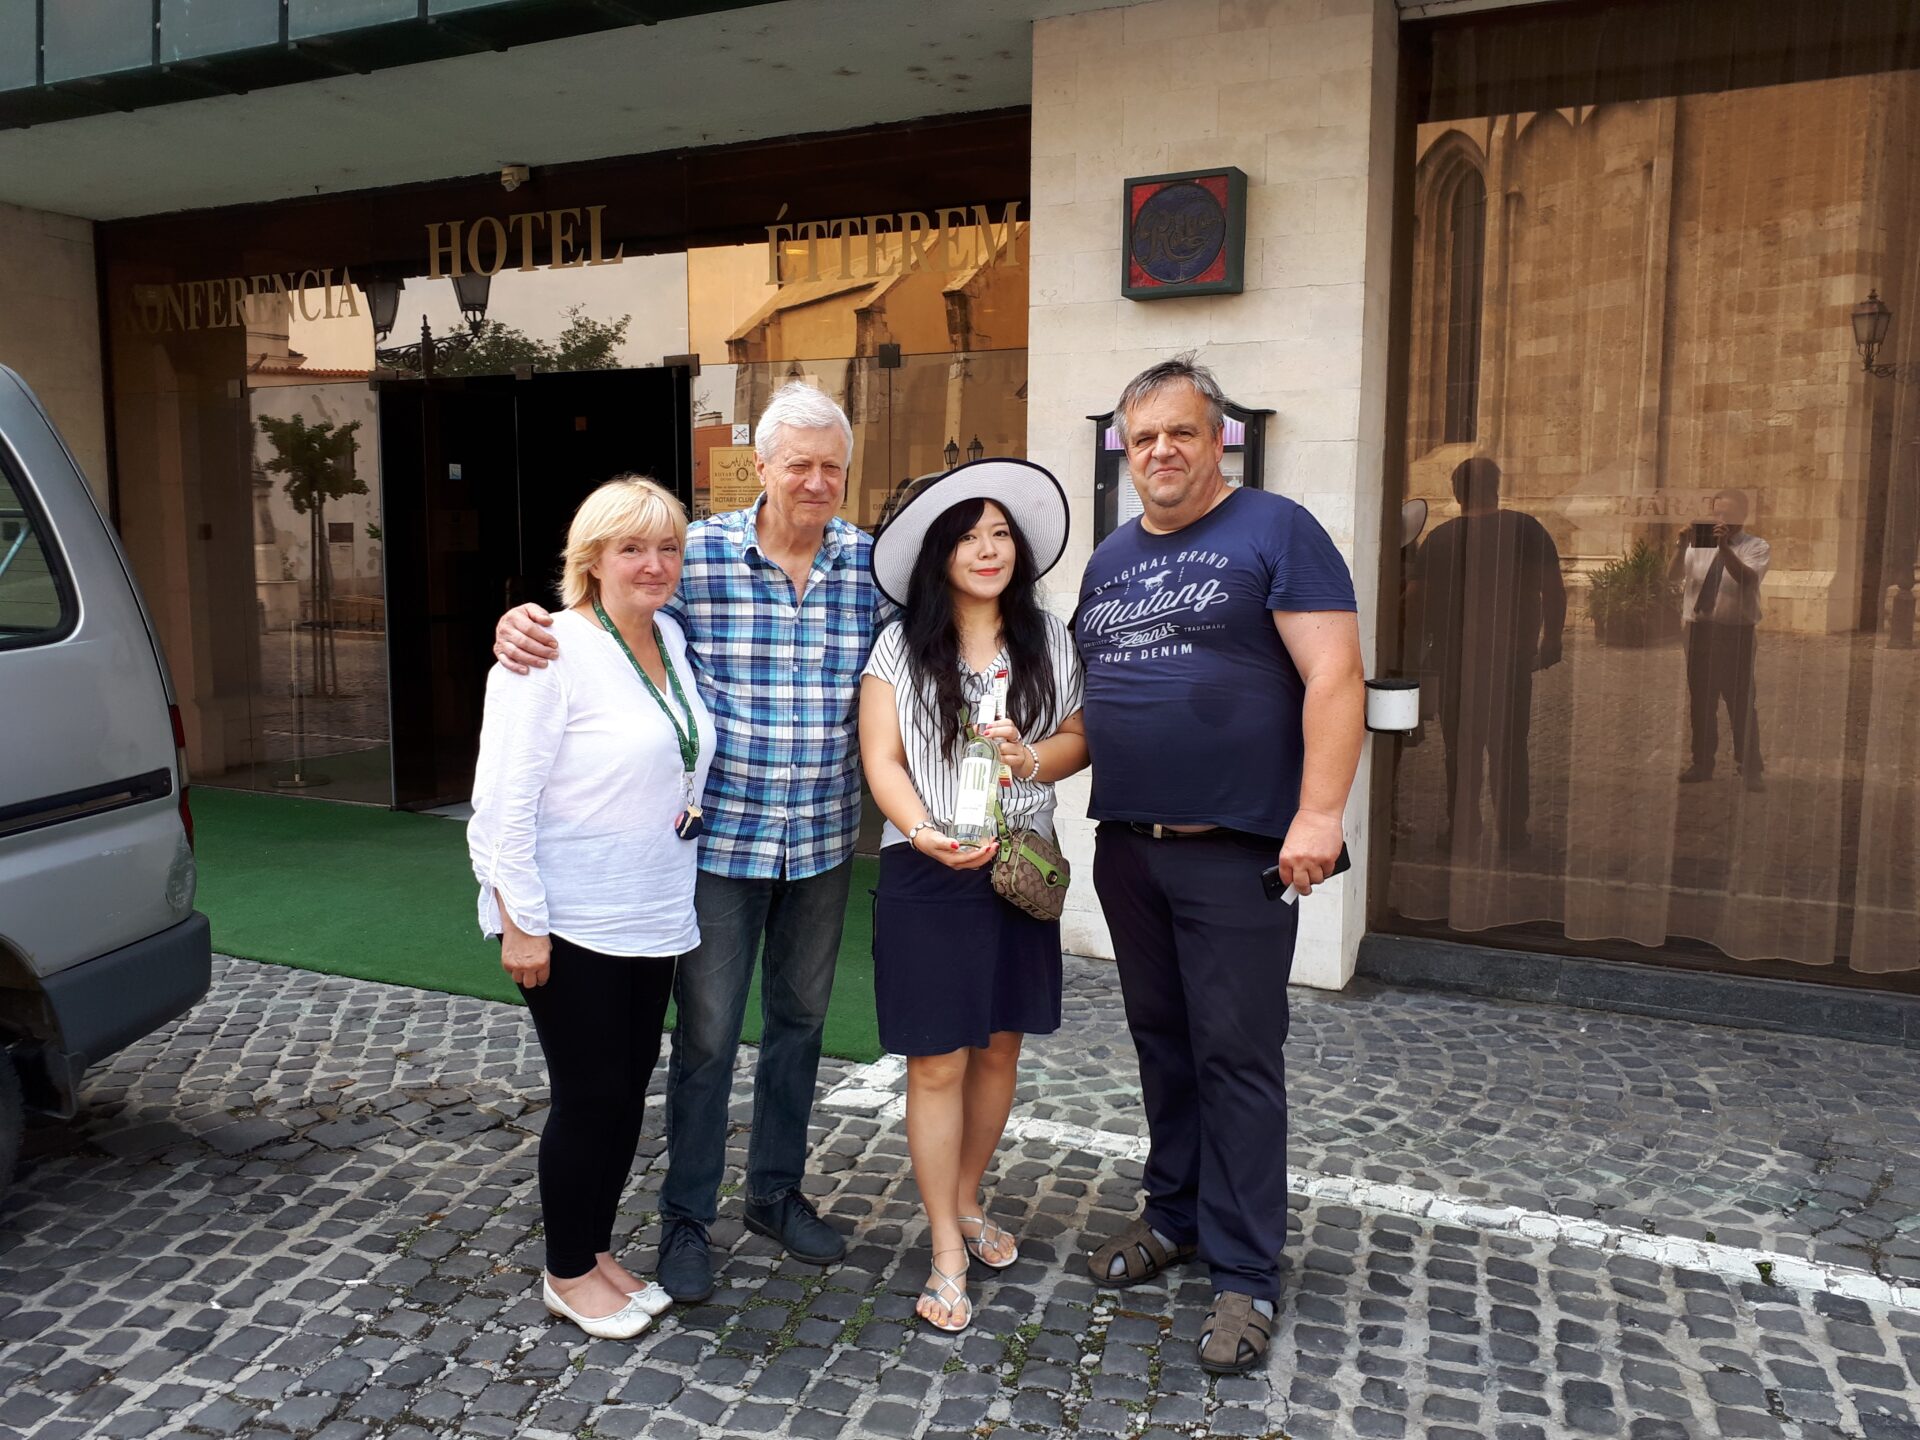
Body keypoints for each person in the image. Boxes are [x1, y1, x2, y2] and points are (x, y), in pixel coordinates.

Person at [492, 384, 889, 1303]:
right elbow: (601, 610)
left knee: (800, 1024)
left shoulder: (873, 566)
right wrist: (520, 622)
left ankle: (777, 1194)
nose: (817, 481)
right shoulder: (694, 555)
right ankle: (686, 1218)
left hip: (823, 837)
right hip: (717, 848)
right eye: (799, 464)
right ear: (763, 467)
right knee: (706, 1038)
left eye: (833, 466)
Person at [1072, 356, 1365, 1375]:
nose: (1161, 451)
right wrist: (1026, 759)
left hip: (1237, 851)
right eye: (1143, 437)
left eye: (1181, 432)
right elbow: (1097, 702)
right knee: (1163, 1042)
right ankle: (1176, 1215)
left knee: (1237, 1058)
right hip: (1129, 846)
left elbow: (1335, 674)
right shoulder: (1110, 558)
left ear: (1218, 439)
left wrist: (1318, 814)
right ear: (1126, 450)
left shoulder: (1277, 530)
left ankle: (1245, 1271)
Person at [467, 476, 711, 1339]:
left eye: (668, 547)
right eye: (631, 547)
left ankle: (597, 1251)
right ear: (592, 559)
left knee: (625, 1093)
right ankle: (567, 1272)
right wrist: (521, 923)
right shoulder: (547, 652)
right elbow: (501, 805)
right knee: (588, 1097)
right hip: (570, 921)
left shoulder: (669, 639)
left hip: (653, 909)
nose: (654, 564)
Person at [859, 461, 1087, 1333]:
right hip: (928, 868)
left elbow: (1080, 735)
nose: (987, 550)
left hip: (1018, 864)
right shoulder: (900, 645)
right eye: (967, 537)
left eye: (999, 534)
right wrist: (921, 829)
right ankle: (945, 1250)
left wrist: (1030, 757)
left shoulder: (1049, 638)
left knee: (998, 1049)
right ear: (939, 556)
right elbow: (882, 757)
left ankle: (964, 1199)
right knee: (937, 1061)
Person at [1408, 457, 1566, 851]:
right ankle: (1512, 830)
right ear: (1496, 487)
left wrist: (1414, 651)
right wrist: (1552, 639)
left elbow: (1417, 602)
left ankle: (1462, 826)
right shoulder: (1526, 529)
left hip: (1454, 662)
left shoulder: (1440, 538)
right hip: (1510, 660)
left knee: (1460, 750)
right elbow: (1553, 587)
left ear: (1456, 493)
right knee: (1509, 748)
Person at [1670, 488, 1769, 792]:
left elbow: (1748, 580)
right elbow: (1672, 576)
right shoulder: (1698, 544)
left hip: (1735, 633)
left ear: (1743, 516)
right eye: (1717, 513)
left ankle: (1750, 768)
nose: (1721, 520)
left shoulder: (1756, 546)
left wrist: (1725, 548)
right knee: (1701, 701)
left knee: (1741, 702)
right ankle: (1701, 763)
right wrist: (1681, 546)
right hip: (1699, 630)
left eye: (1728, 514)